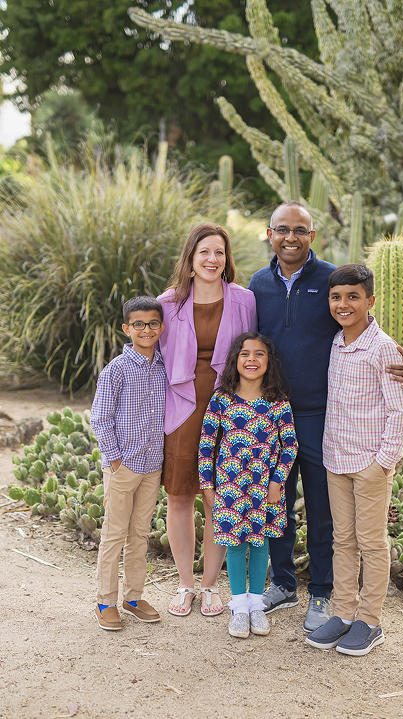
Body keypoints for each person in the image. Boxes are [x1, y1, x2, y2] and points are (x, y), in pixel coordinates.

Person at [248, 201, 403, 632]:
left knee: (323, 509)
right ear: (270, 234)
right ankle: (282, 582)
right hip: (273, 413)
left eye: (300, 230)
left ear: (312, 236)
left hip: (323, 417)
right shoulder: (258, 284)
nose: (290, 237)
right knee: (276, 500)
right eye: (282, 229)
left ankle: (322, 592)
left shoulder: (330, 280)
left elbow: (362, 323)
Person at [305, 264, 403, 655]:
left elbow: (399, 411)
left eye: (353, 297)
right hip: (336, 459)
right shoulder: (337, 342)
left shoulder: (383, 347)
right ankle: (344, 612)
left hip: (369, 464)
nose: (343, 304)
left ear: (370, 300)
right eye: (336, 297)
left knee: (371, 543)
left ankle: (370, 620)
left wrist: (384, 462)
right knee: (342, 540)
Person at [157, 223, 257, 617]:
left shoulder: (245, 300)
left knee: (221, 498)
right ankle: (185, 584)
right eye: (204, 253)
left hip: (229, 411)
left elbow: (256, 353)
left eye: (219, 252)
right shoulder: (169, 303)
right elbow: (149, 353)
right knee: (180, 496)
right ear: (191, 260)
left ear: (226, 259)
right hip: (180, 408)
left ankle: (212, 585)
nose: (212, 259)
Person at [198, 332, 298, 638]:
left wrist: (278, 481)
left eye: (259, 354)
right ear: (234, 360)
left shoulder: (277, 401)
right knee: (235, 543)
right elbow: (206, 446)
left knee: (260, 543)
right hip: (230, 487)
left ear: (269, 362)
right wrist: (208, 487)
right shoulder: (222, 399)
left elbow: (290, 445)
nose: (251, 359)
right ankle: (239, 607)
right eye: (245, 354)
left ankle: (257, 605)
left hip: (264, 488)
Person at [90, 296, 166, 631]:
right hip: (124, 466)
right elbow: (100, 418)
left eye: (153, 323)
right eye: (139, 324)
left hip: (153, 464)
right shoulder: (116, 371)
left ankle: (133, 596)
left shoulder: (165, 366)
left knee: (140, 533)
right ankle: (105, 600)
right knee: (115, 533)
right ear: (126, 328)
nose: (146, 329)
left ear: (161, 327)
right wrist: (116, 459)